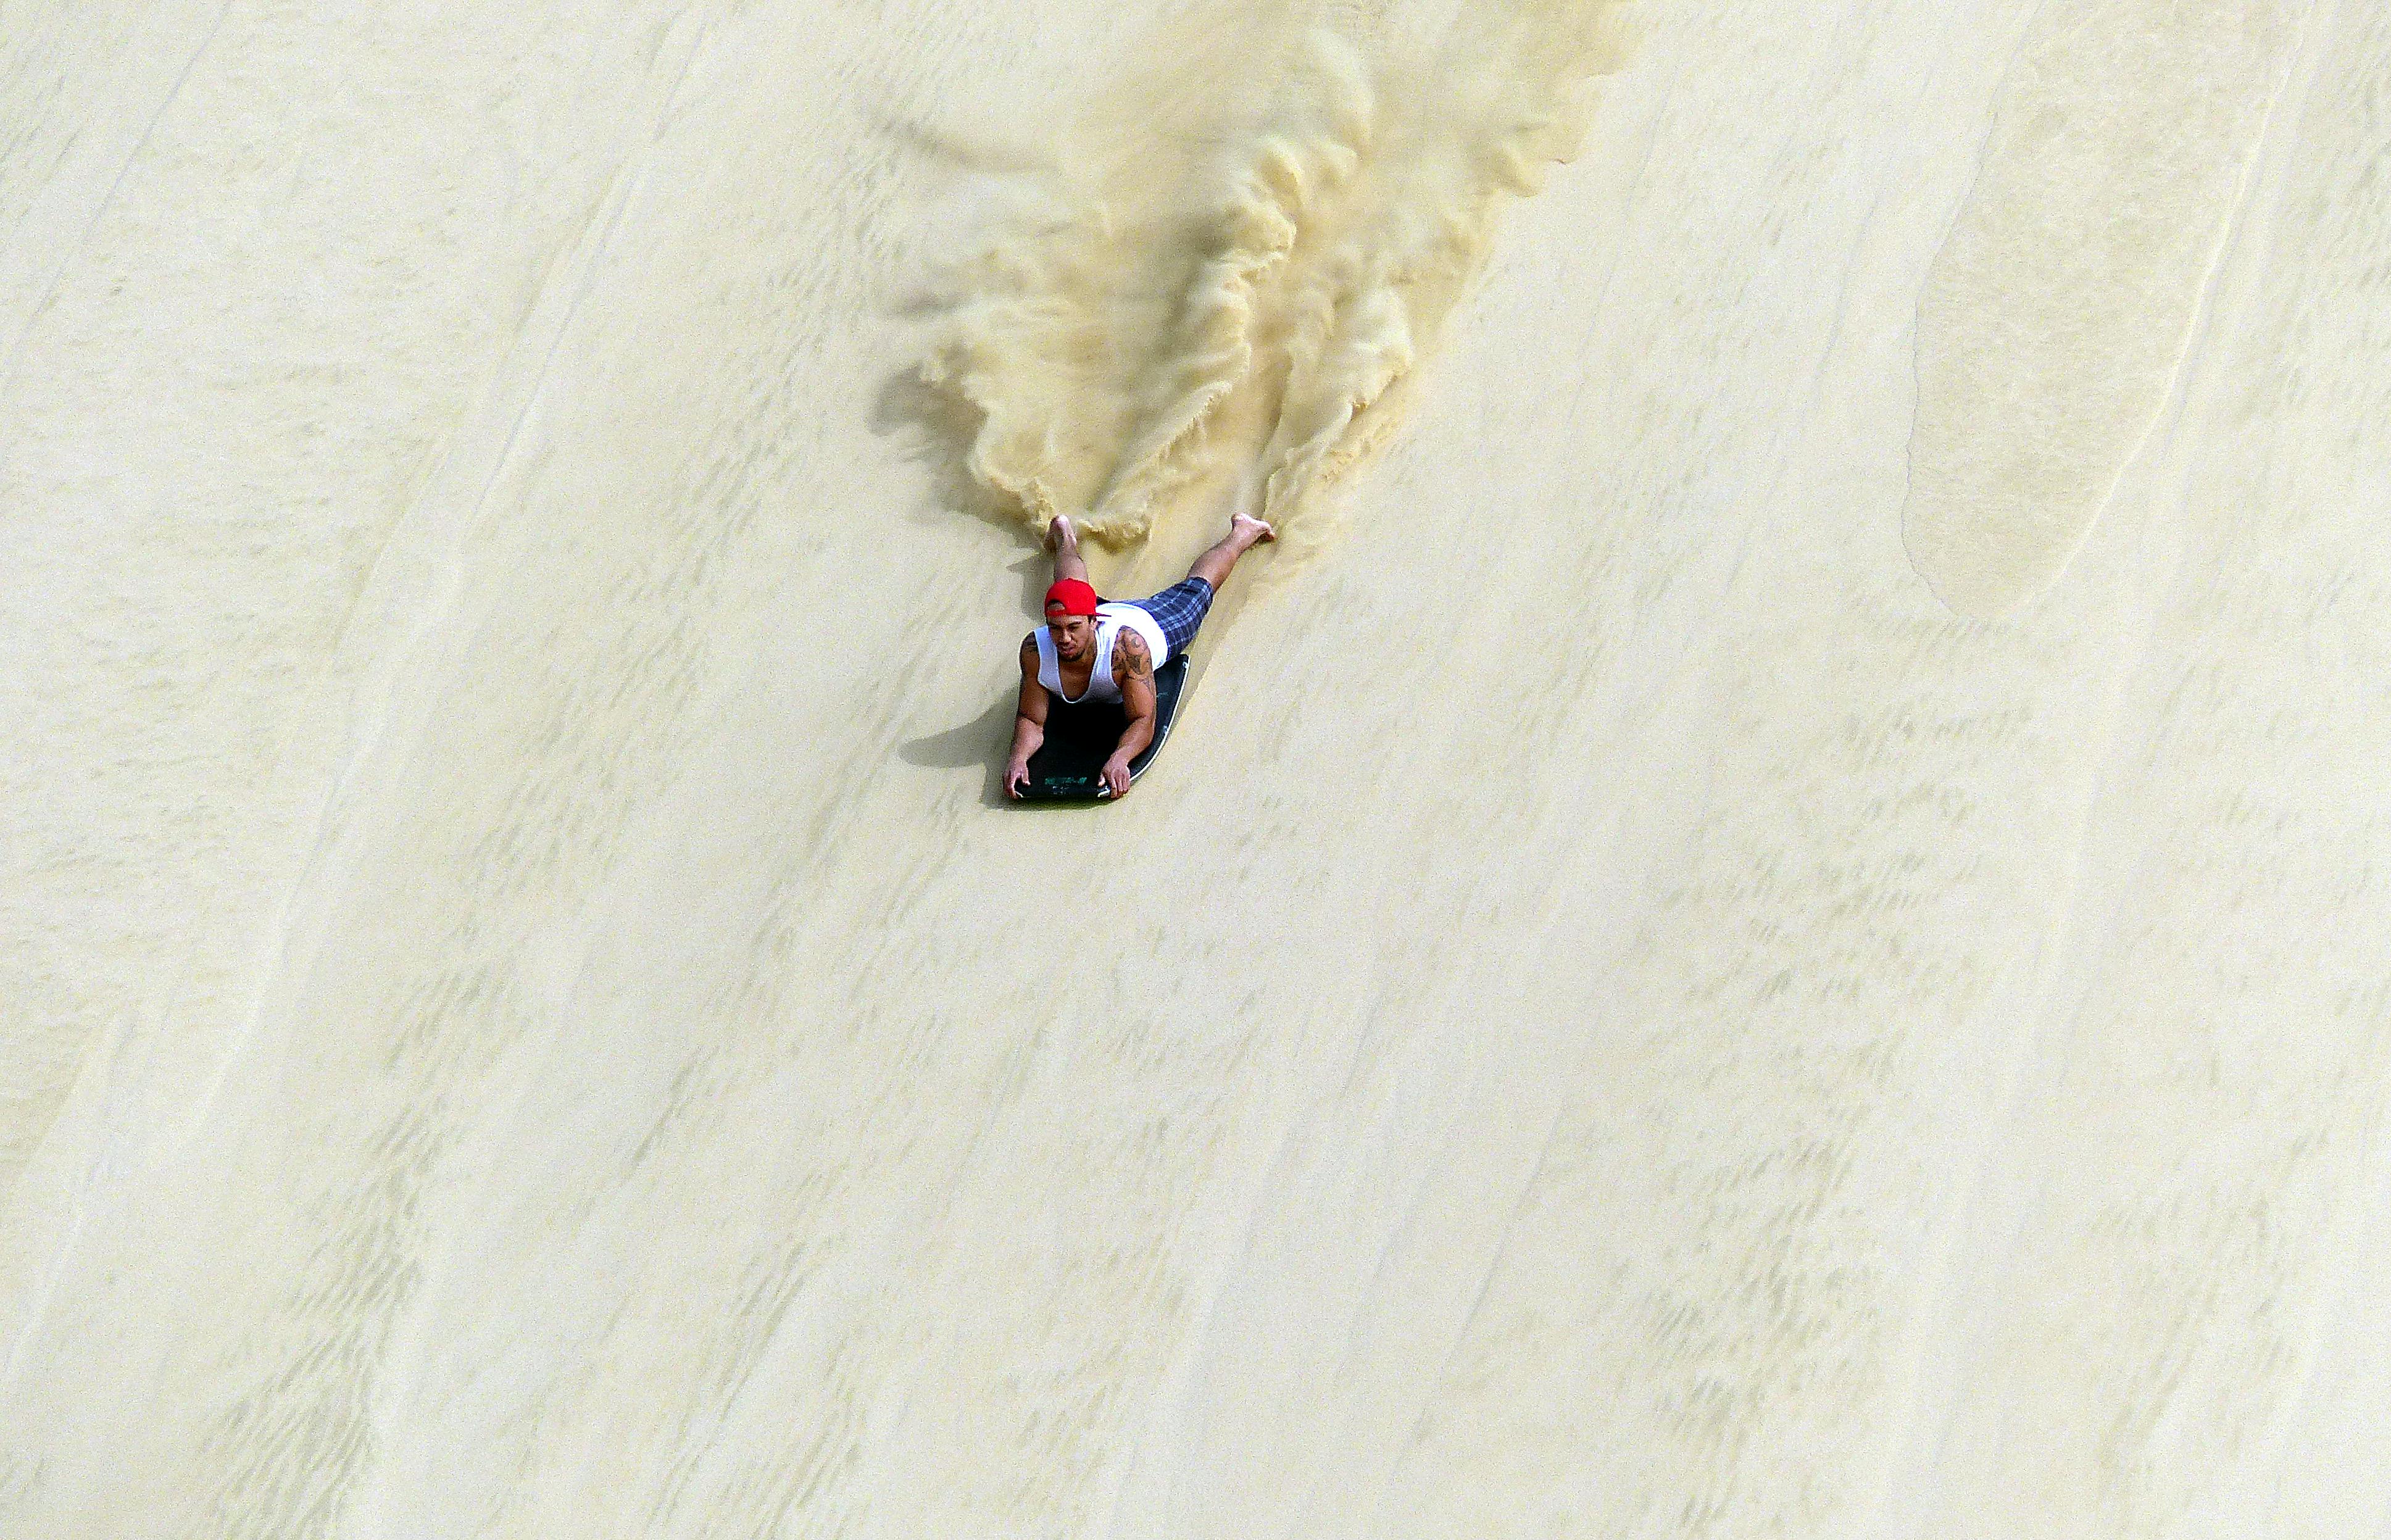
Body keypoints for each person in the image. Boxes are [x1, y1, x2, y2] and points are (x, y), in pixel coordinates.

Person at [1005, 511, 1275, 798]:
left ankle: (1243, 532)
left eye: (1074, 628)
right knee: (1071, 589)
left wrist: (1121, 757)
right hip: (1087, 613)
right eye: (1055, 629)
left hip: (1150, 623)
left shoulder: (1127, 649)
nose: (1065, 639)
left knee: (1199, 588)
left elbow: (1143, 720)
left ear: (1094, 621)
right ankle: (1065, 537)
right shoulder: (1036, 649)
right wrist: (1018, 758)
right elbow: (1031, 719)